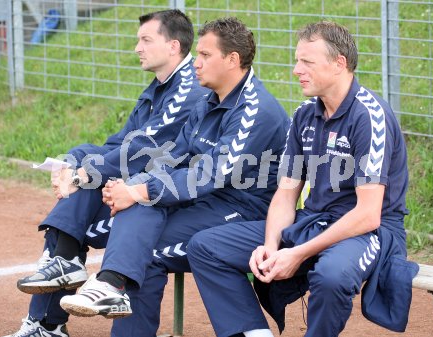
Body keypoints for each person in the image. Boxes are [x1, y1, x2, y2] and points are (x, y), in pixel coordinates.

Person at [58, 17, 290, 337]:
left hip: (244, 209)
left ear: (232, 60)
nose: (196, 62)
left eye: (206, 55)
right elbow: (172, 155)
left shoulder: (256, 110)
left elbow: (209, 174)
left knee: (144, 249)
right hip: (206, 202)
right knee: (139, 210)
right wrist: (134, 186)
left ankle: (112, 281)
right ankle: (109, 283)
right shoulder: (209, 101)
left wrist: (140, 191)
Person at [187, 20, 419, 337]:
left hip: (370, 231)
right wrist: (270, 246)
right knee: (207, 246)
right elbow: (285, 195)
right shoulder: (304, 114)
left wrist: (297, 253)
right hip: (312, 220)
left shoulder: (369, 115)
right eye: (297, 60)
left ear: (339, 64)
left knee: (331, 276)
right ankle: (253, 333)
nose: (296, 70)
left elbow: (367, 215)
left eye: (306, 62)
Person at [7, 9, 209, 337]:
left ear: (173, 46)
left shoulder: (188, 90)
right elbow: (117, 143)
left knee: (73, 216)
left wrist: (83, 173)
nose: (137, 48)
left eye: (146, 39)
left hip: (166, 200)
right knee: (71, 211)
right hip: (137, 191)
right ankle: (50, 310)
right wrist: (70, 163)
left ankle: (49, 318)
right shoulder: (158, 87)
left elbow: (140, 148)